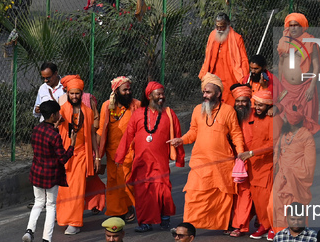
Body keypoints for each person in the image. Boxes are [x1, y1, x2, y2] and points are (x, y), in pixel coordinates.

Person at [168, 73, 245, 231]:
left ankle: (223, 225)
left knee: (221, 198)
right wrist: (181, 140)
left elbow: (236, 134)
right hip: (200, 162)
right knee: (193, 196)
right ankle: (188, 227)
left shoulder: (228, 111)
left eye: (208, 92)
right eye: (204, 92)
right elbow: (193, 132)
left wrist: (241, 153)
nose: (205, 95)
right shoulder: (198, 110)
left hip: (222, 163)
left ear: (218, 93)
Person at [116, 81, 185, 232]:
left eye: (162, 94)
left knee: (163, 190)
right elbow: (128, 136)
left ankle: (165, 217)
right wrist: (120, 156)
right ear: (149, 95)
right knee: (143, 192)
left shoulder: (169, 113)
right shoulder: (139, 113)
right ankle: (145, 222)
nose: (162, 96)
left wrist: (180, 158)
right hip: (142, 162)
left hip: (160, 161)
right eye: (158, 94)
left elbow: (178, 135)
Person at [23, 101, 76, 242]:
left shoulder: (36, 129)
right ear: (53, 115)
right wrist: (72, 144)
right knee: (51, 205)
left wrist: (55, 127)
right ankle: (46, 241)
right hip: (51, 175)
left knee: (38, 202)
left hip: (36, 173)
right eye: (58, 113)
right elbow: (63, 158)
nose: (60, 115)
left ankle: (29, 231)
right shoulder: (55, 136)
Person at [56, 77, 100, 235]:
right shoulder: (61, 110)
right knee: (65, 189)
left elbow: (92, 135)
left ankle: (75, 222)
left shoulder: (87, 112)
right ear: (67, 93)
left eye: (77, 93)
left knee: (77, 189)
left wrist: (97, 157)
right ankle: (65, 219)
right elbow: (53, 127)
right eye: (72, 93)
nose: (74, 96)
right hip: (65, 156)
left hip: (82, 154)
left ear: (82, 94)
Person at [98, 76, 141, 221]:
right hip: (112, 152)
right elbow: (101, 130)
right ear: (116, 91)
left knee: (126, 180)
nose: (128, 92)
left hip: (130, 151)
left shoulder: (136, 105)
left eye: (129, 89)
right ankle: (116, 211)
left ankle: (129, 207)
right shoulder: (107, 106)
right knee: (113, 181)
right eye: (124, 90)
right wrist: (97, 154)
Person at [236, 89, 275, 239]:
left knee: (266, 198)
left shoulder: (272, 119)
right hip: (254, 166)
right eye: (256, 104)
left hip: (267, 165)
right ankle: (264, 225)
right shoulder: (255, 116)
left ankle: (273, 226)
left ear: (268, 106)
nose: (257, 108)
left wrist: (252, 153)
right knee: (257, 198)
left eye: (261, 105)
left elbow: (273, 144)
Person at [272, 104, 316, 232]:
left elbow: (310, 164)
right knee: (278, 207)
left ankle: (297, 236)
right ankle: (281, 235)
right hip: (281, 179)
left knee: (295, 210)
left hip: (296, 181)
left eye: (285, 117)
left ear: (292, 120)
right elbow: (277, 153)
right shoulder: (284, 133)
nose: (283, 119)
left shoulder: (306, 136)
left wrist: (290, 173)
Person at [277, 13, 320, 134]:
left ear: (303, 27)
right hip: (287, 88)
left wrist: (312, 87)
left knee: (305, 120)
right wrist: (280, 85)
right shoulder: (283, 42)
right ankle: (291, 148)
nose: (293, 28)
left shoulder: (311, 42)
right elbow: (281, 64)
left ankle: (305, 147)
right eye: (291, 25)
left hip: (305, 87)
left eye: (297, 25)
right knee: (286, 118)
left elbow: (316, 66)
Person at [199, 13, 249, 107]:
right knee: (214, 99)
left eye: (222, 27)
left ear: (228, 24)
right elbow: (207, 57)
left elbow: (244, 59)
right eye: (217, 27)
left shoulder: (237, 38)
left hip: (231, 76)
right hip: (215, 75)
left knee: (229, 102)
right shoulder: (212, 35)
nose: (219, 30)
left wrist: (245, 78)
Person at [228, 84, 255, 237]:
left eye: (244, 101)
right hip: (238, 161)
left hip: (257, 159)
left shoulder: (258, 114)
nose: (240, 104)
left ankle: (263, 223)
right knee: (243, 193)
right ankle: (239, 226)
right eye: (238, 101)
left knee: (260, 194)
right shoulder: (231, 115)